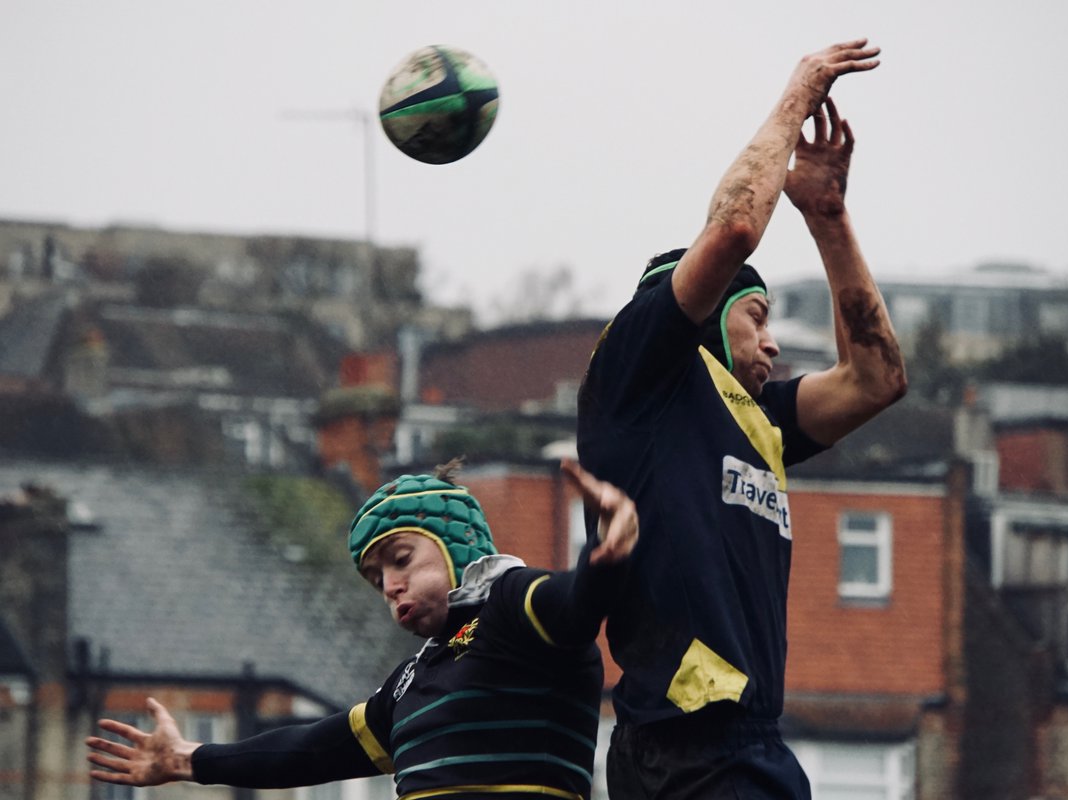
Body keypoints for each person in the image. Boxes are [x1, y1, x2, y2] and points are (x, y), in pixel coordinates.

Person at [576, 38, 907, 799]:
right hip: (680, 742)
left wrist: (827, 213)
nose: (773, 340)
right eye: (755, 316)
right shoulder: (640, 375)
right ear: (698, 319)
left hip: (741, 744)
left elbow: (878, 379)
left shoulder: (755, 421)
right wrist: (797, 99)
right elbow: (731, 231)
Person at [86, 458, 638, 800]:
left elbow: (574, 604)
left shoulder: (513, 608)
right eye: (376, 579)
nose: (390, 585)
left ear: (457, 545)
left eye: (400, 559)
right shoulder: (411, 680)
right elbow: (309, 749)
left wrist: (605, 557)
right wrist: (187, 760)